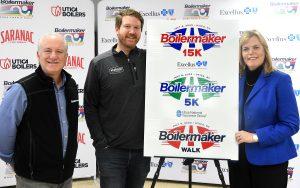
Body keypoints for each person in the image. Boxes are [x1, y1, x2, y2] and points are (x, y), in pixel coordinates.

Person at [0, 33, 79, 188]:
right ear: (38, 55)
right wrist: (20, 164)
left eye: (59, 51)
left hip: (66, 178)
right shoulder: (21, 90)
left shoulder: (71, 86)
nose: (53, 56)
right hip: (33, 181)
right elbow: (3, 136)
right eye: (48, 50)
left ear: (66, 57)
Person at [84, 9, 150, 188]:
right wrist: (101, 143)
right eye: (127, 26)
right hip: (111, 152)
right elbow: (90, 106)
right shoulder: (99, 63)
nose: (132, 31)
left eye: (137, 28)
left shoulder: (150, 60)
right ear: (117, 29)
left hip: (142, 151)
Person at [228, 30, 299, 188]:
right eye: (245, 49)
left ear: (264, 51)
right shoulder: (233, 79)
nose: (251, 53)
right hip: (237, 158)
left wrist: (255, 137)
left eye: (256, 47)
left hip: (270, 159)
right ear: (240, 53)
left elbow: (291, 124)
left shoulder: (280, 80)